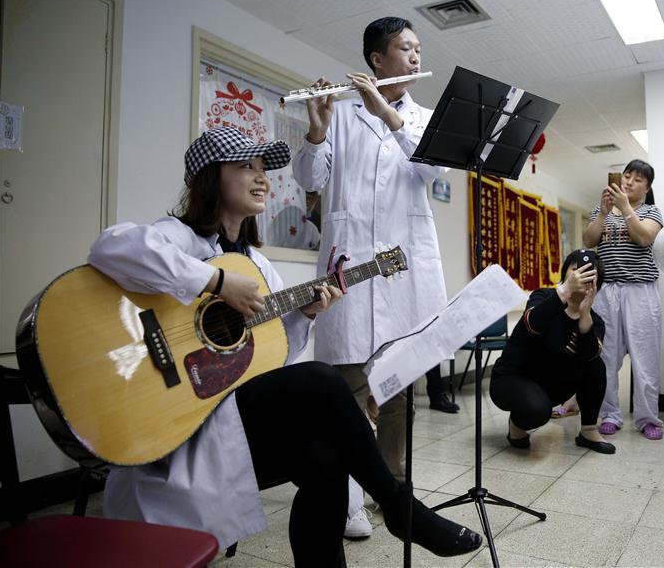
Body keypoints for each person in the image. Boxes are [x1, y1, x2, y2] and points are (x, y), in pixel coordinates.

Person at [90, 127, 481, 567]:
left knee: (326, 460)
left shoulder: (256, 267)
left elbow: (271, 356)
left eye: (263, 169)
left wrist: (306, 314)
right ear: (209, 177)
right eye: (246, 167)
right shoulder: (178, 238)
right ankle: (400, 506)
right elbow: (110, 246)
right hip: (177, 426)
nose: (262, 178)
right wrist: (215, 281)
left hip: (225, 419)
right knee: (321, 377)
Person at [293, 16, 449, 536]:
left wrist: (387, 113)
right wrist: (316, 127)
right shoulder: (339, 114)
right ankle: (349, 497)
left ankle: (394, 487)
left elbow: (432, 172)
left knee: (398, 384)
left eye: (418, 49)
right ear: (376, 60)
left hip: (404, 265)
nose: (415, 57)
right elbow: (311, 180)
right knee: (349, 384)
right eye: (405, 48)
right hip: (351, 261)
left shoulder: (425, 118)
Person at [490, 250, 615, 454]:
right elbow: (533, 324)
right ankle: (517, 424)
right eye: (576, 270)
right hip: (512, 378)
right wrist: (565, 291)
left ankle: (589, 430)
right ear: (566, 273)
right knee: (537, 411)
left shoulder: (594, 320)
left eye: (589, 274)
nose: (581, 276)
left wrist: (584, 315)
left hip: (550, 383)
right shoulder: (544, 296)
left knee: (596, 364)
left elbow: (589, 354)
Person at [583, 160, 664, 440]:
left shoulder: (651, 211)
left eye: (638, 179)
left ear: (647, 187)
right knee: (605, 357)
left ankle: (648, 418)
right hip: (606, 292)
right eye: (627, 176)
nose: (629, 182)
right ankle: (610, 415)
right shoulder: (602, 210)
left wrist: (626, 208)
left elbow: (644, 238)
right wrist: (603, 214)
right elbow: (588, 240)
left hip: (640, 290)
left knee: (645, 358)